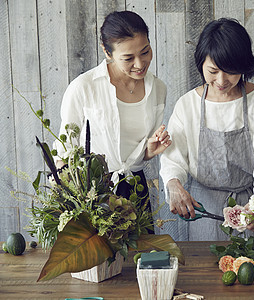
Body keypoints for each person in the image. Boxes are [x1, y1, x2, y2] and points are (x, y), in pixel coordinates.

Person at [160, 18, 254, 241]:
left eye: (231, 72)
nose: (222, 80)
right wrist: (173, 183)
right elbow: (173, 159)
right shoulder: (187, 105)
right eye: (213, 71)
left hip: (252, 203)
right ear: (201, 63)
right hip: (204, 210)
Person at [55, 11, 171, 213]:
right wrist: (76, 200)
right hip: (91, 192)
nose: (140, 64)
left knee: (142, 245)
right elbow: (64, 152)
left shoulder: (158, 89)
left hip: (135, 188)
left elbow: (133, 153)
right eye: (128, 58)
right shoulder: (84, 87)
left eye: (145, 52)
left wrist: (148, 152)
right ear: (107, 53)